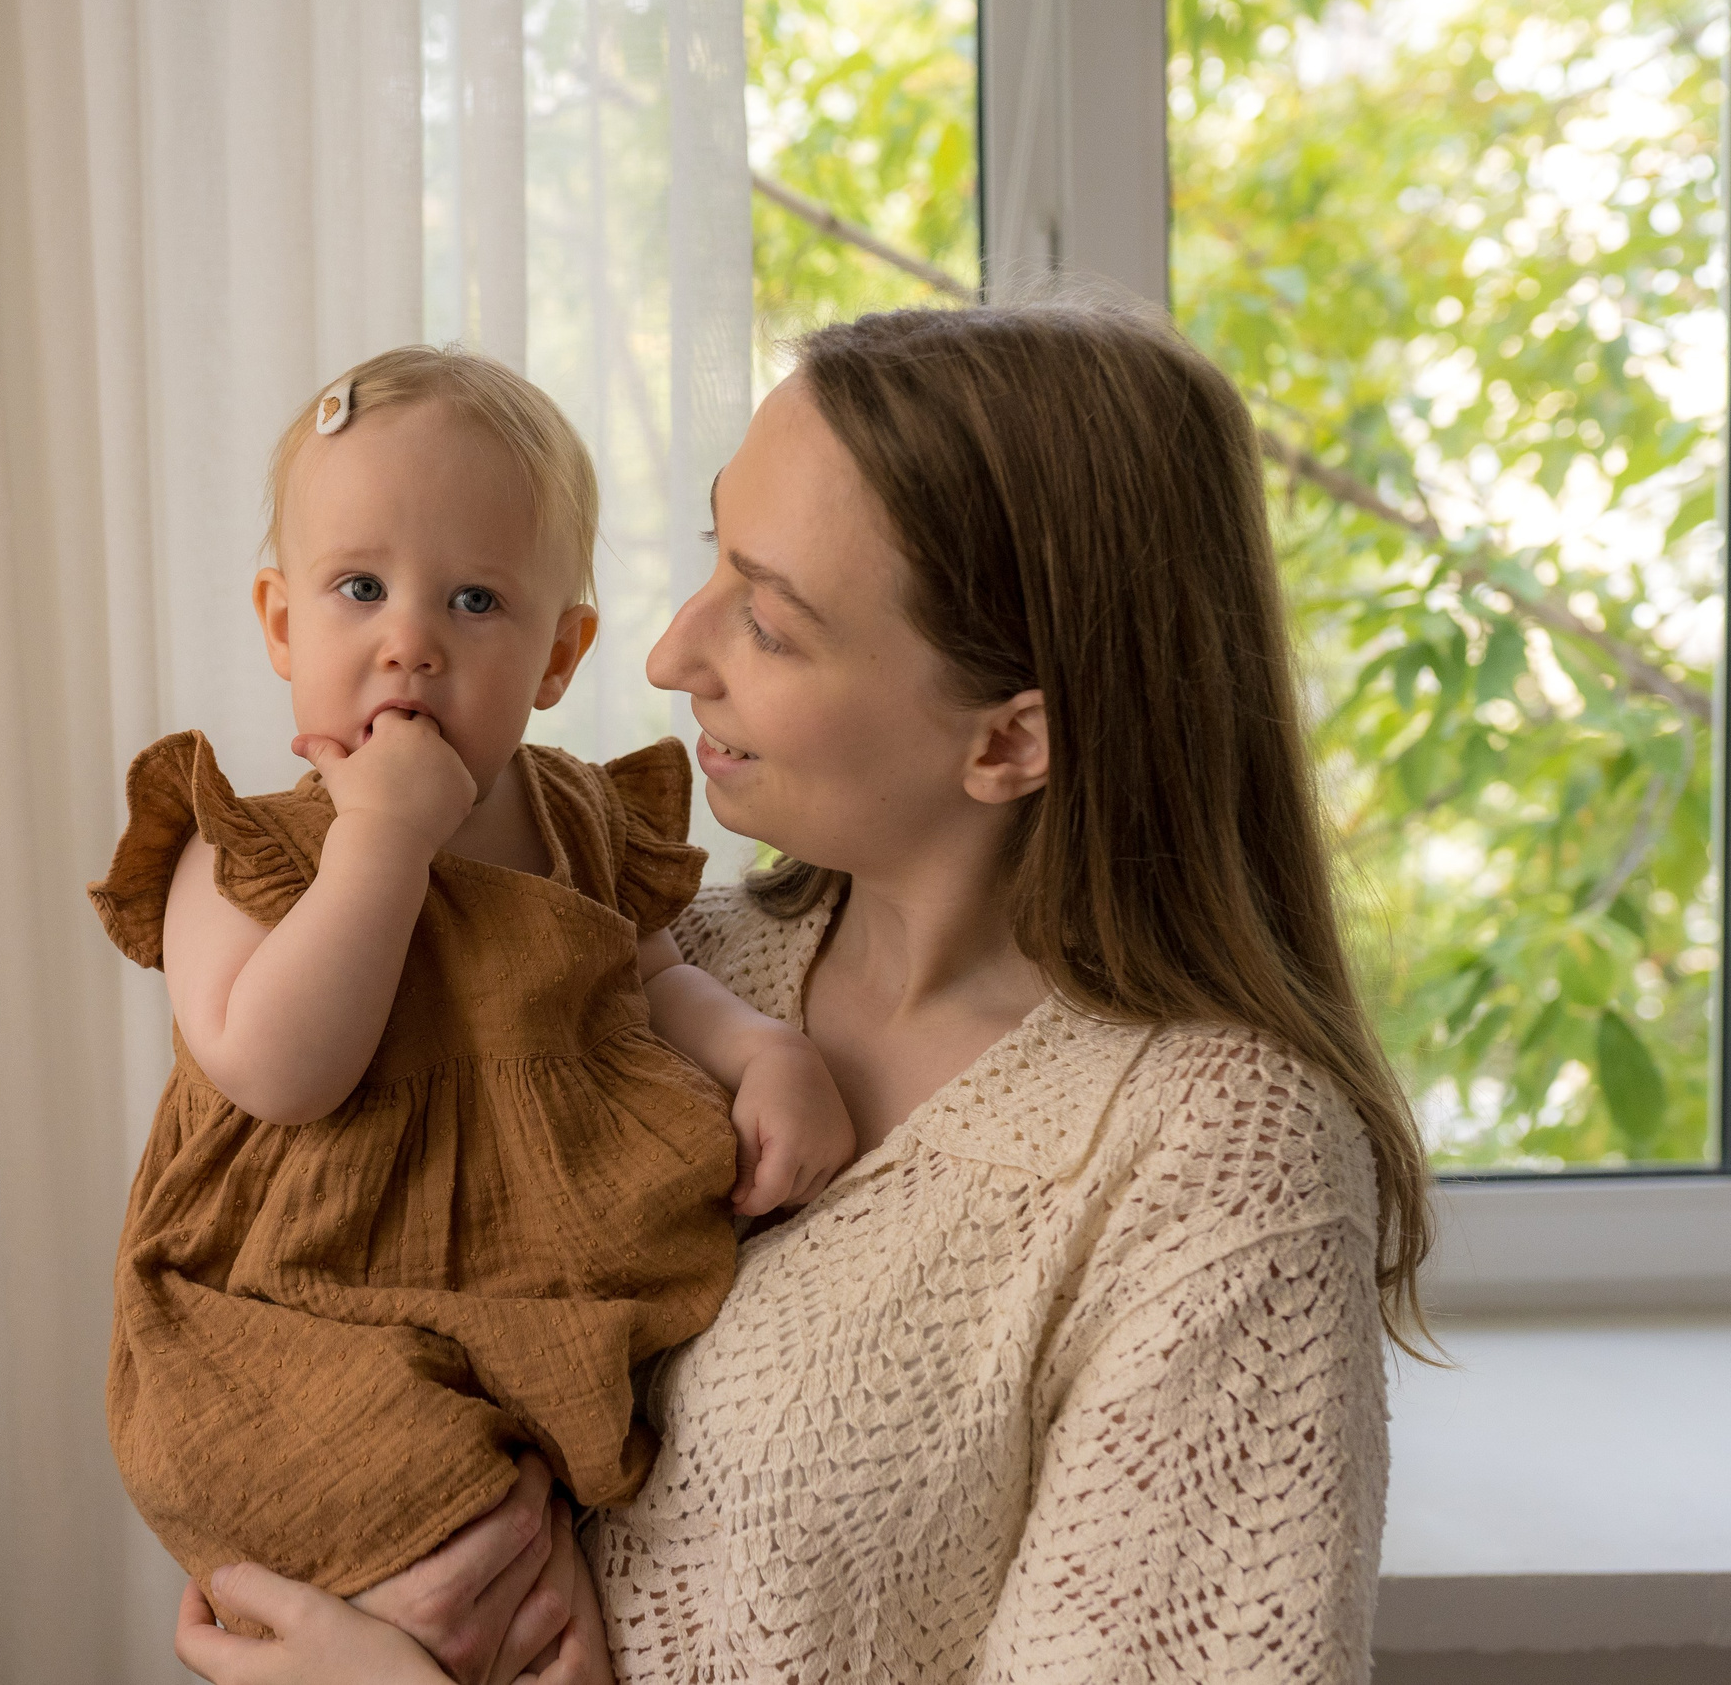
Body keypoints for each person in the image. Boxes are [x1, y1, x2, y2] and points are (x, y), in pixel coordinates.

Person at [172, 295, 1434, 1685]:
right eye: (718, 555)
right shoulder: (647, 963)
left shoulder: (1218, 1167)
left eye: (767, 620)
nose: (667, 654)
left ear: (1011, 739)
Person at [88, 345, 857, 1628]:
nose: (410, 645)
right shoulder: (240, 851)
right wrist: (379, 842)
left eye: (475, 605)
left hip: (519, 1280)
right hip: (292, 1297)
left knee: (547, 1508)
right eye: (359, 588)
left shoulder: (571, 818)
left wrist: (766, 1050)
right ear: (281, 623)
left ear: (560, 656)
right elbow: (281, 1070)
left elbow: (648, 979)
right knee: (360, 1477)